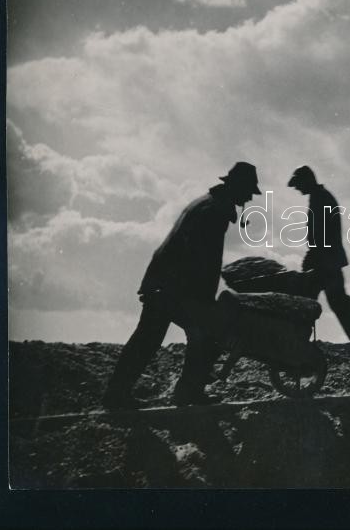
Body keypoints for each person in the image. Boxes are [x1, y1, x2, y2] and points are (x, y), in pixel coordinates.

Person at [102, 162, 262, 409]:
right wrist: (205, 301)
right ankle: (187, 393)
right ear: (238, 187)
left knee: (148, 338)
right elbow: (204, 260)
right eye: (248, 191)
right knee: (206, 333)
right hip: (174, 286)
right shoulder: (214, 211)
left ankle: (117, 395)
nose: (250, 197)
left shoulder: (208, 203)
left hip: (164, 281)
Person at [288, 165, 350, 356]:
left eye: (299, 184)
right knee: (331, 300)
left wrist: (313, 257)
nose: (297, 188)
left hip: (324, 260)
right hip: (327, 259)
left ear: (307, 181)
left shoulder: (321, 199)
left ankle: (295, 341)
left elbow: (321, 234)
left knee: (309, 300)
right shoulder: (320, 197)